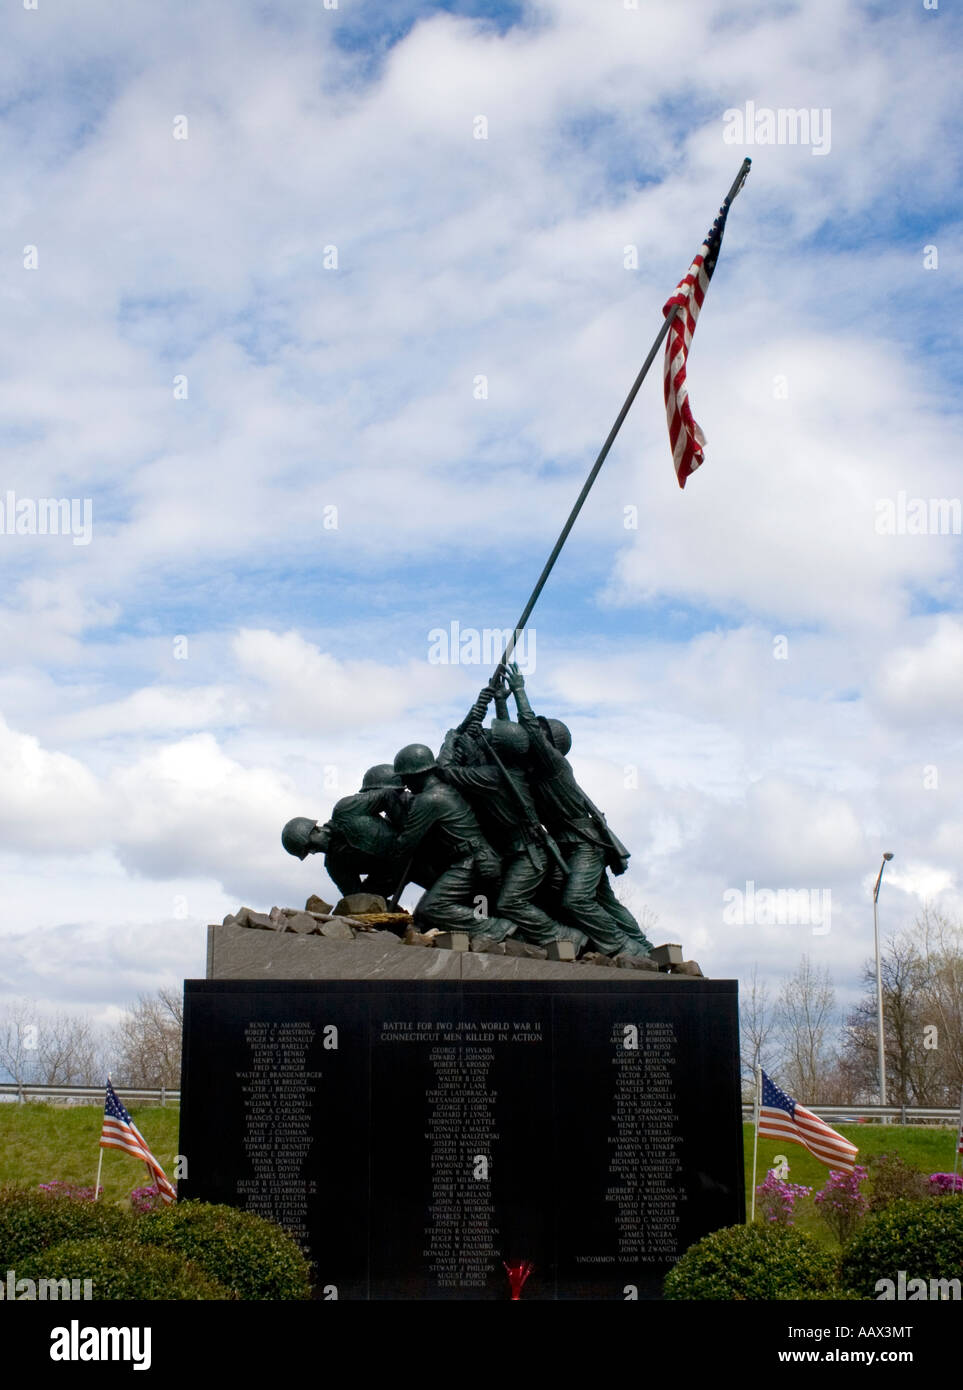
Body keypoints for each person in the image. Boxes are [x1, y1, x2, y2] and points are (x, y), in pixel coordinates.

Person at [503, 665, 653, 959]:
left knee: (575, 900)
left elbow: (529, 731)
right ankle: (645, 948)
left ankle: (628, 948)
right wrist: (499, 699)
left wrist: (519, 691)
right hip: (570, 845)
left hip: (585, 845)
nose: (533, 737)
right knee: (605, 902)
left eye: (541, 735)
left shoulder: (554, 765)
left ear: (550, 743)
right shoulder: (532, 769)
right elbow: (512, 739)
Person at [434, 692, 587, 951]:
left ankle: (565, 936)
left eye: (491, 738)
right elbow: (507, 738)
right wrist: (495, 703)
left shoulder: (494, 776)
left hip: (529, 853)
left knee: (509, 902)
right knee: (496, 899)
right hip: (520, 851)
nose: (486, 737)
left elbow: (445, 770)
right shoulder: (514, 768)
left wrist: (450, 739)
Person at [392, 741, 516, 944]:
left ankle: (497, 928)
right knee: (431, 911)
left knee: (434, 907)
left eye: (405, 777)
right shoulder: (444, 790)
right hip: (476, 858)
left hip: (472, 861)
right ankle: (486, 932)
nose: (405, 784)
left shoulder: (430, 799)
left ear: (417, 774)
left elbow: (406, 843)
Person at [280, 764, 408, 899]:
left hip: (416, 844)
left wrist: (408, 832)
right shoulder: (335, 866)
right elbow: (354, 897)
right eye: (307, 853)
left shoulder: (345, 810)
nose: (313, 852)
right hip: (401, 872)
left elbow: (386, 796)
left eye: (309, 846)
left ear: (315, 830)